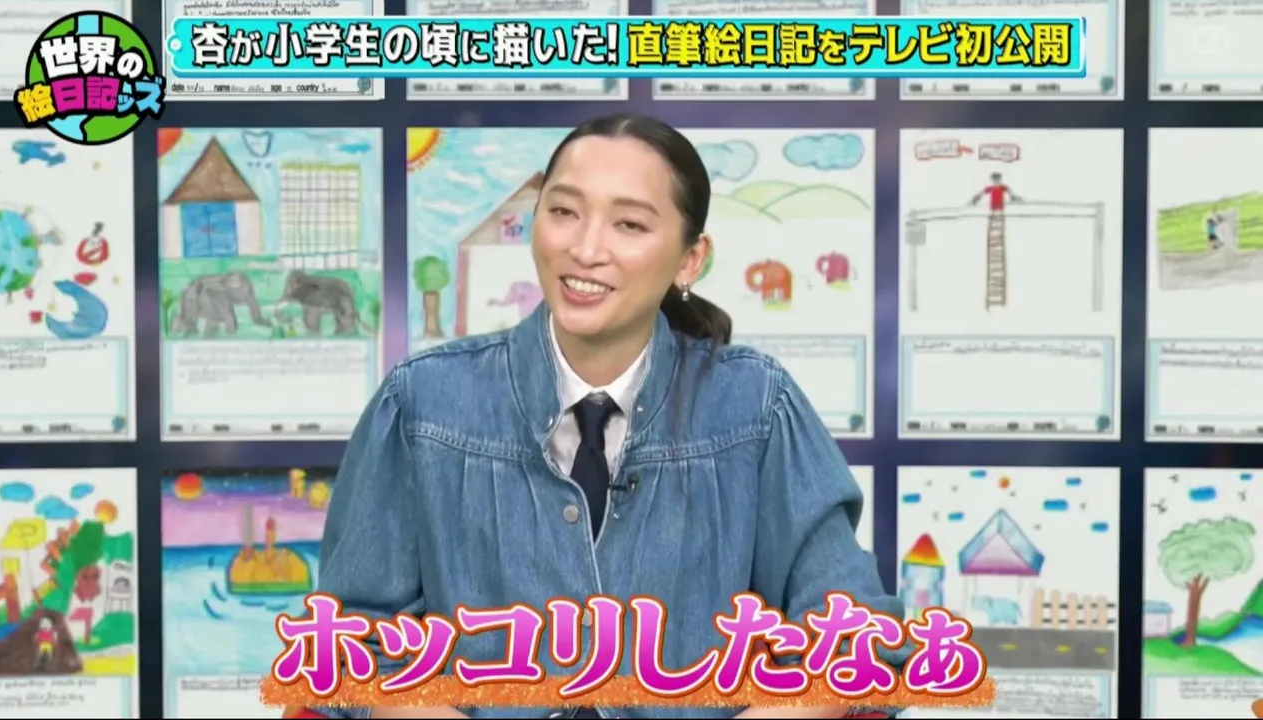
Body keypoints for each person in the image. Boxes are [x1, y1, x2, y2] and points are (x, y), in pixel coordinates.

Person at [308, 114, 907, 720]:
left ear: (690, 259)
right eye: (564, 212)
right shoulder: (422, 401)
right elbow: (353, 642)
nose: (586, 249)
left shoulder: (756, 405)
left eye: (630, 224)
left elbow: (854, 637)